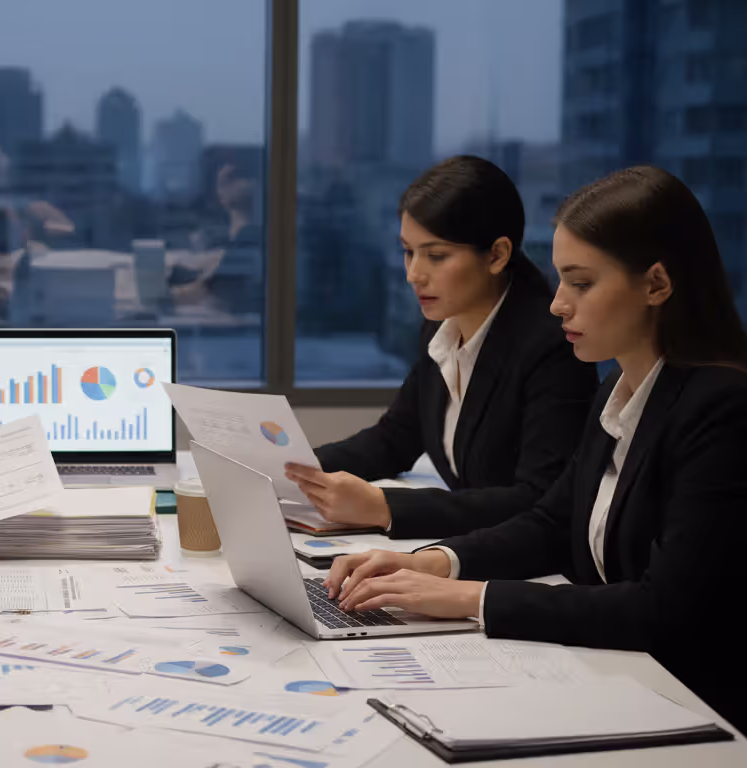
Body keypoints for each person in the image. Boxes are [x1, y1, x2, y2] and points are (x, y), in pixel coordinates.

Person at [324, 166, 747, 732]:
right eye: (560, 281)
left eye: (581, 284)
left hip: (696, 710)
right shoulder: (617, 390)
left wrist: (470, 598)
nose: (557, 305)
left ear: (656, 285)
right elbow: (551, 522)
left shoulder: (723, 409)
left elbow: (662, 608)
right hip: (619, 679)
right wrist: (429, 563)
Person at [287, 156, 597, 539]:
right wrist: (291, 469)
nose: (413, 274)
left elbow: (538, 499)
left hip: (525, 562)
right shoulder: (441, 328)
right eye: (408, 251)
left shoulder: (552, 348)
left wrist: (384, 507)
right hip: (467, 548)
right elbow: (394, 439)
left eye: (435, 256)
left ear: (497, 255)